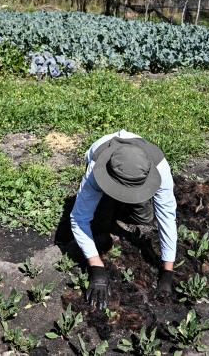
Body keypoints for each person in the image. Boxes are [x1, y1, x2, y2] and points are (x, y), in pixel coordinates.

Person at [70, 130, 178, 309]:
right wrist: (96, 266)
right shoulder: (96, 168)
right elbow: (78, 218)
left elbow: (167, 217)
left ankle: (118, 203)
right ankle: (107, 201)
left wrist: (167, 271)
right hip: (107, 168)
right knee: (99, 228)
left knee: (144, 217)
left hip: (135, 173)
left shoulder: (161, 169)